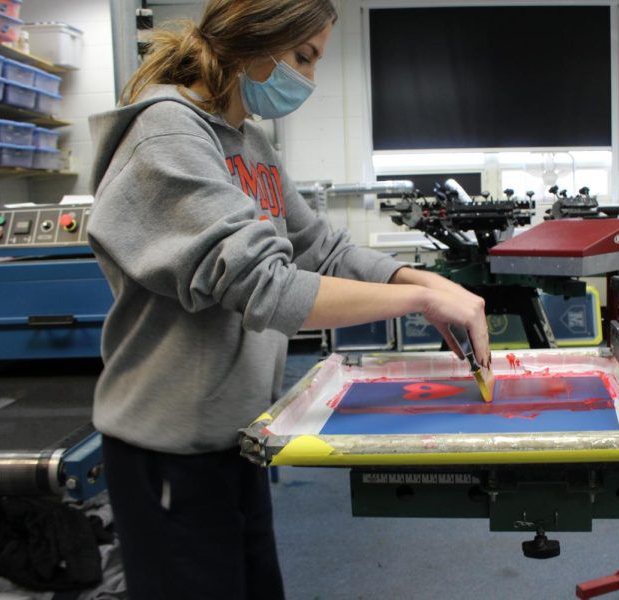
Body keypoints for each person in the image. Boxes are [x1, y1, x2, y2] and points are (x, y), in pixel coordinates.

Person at [86, 1, 490, 598]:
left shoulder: (249, 143)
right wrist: (419, 304)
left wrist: (424, 281)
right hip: (169, 450)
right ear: (254, 40)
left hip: (237, 436)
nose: (309, 78)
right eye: (303, 57)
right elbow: (265, 285)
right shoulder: (168, 135)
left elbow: (319, 249)